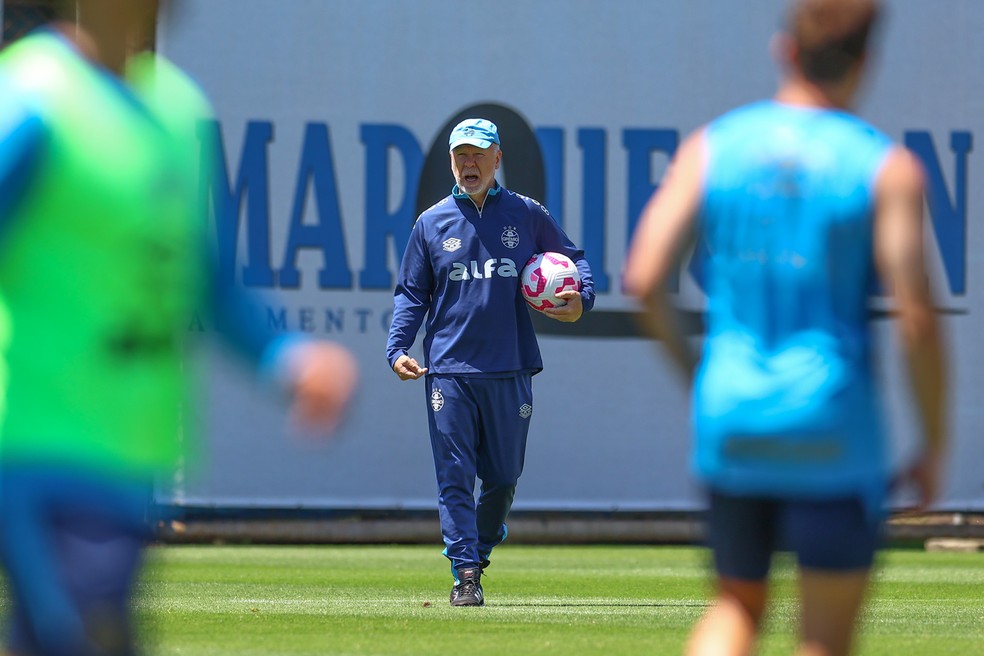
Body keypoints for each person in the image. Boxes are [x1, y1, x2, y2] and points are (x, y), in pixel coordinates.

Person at [0, 2, 359, 654]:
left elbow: (209, 280)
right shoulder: (31, 101)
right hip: (32, 448)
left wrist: (286, 359)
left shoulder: (177, 109)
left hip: (127, 462)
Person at [623, 1, 947, 654]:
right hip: (833, 426)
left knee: (736, 607)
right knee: (824, 636)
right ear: (867, 61)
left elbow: (643, 277)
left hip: (734, 416)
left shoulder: (714, 148)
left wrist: (699, 375)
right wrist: (933, 441)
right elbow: (916, 319)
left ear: (785, 50)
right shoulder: (885, 169)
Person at [387, 118, 594, 607]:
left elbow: (574, 259)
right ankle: (464, 572)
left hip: (510, 367)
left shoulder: (525, 214)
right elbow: (411, 294)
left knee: (502, 477)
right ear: (451, 161)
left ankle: (477, 552)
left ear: (497, 157)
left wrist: (581, 298)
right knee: (454, 475)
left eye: (479, 154)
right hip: (449, 371)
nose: (469, 163)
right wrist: (397, 348)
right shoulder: (431, 223)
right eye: (461, 155)